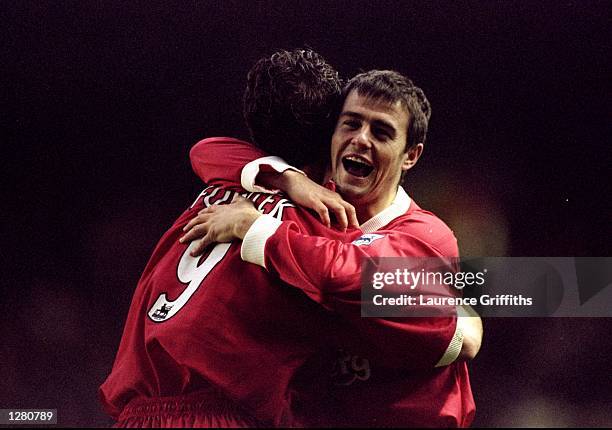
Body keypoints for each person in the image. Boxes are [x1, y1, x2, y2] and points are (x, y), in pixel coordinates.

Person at [100, 49, 476, 427]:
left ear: (411, 155)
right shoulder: (307, 216)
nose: (361, 140)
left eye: (380, 132)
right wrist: (286, 178)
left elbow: (349, 275)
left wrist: (255, 228)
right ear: (330, 135)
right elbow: (205, 150)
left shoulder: (424, 234)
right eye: (350, 125)